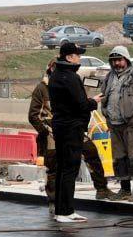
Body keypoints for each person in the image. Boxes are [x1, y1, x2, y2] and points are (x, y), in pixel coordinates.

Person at [29, 59, 112, 213]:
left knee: (91, 152)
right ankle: (54, 201)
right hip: (52, 131)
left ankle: (102, 188)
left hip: (72, 128)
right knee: (54, 166)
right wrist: (45, 131)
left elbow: (77, 105)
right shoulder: (42, 88)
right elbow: (33, 116)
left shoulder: (67, 83)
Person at [47, 40, 101, 223]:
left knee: (63, 168)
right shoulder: (69, 77)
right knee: (70, 169)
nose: (79, 58)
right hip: (71, 128)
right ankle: (65, 211)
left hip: (61, 127)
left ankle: (63, 210)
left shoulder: (56, 74)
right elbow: (81, 105)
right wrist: (94, 102)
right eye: (77, 55)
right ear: (70, 57)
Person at [99, 45, 133, 200]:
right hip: (114, 124)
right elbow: (104, 96)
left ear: (126, 59)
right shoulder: (109, 77)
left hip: (131, 124)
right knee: (119, 158)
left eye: (119, 60)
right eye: (114, 60)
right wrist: (105, 113)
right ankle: (125, 189)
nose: (116, 63)